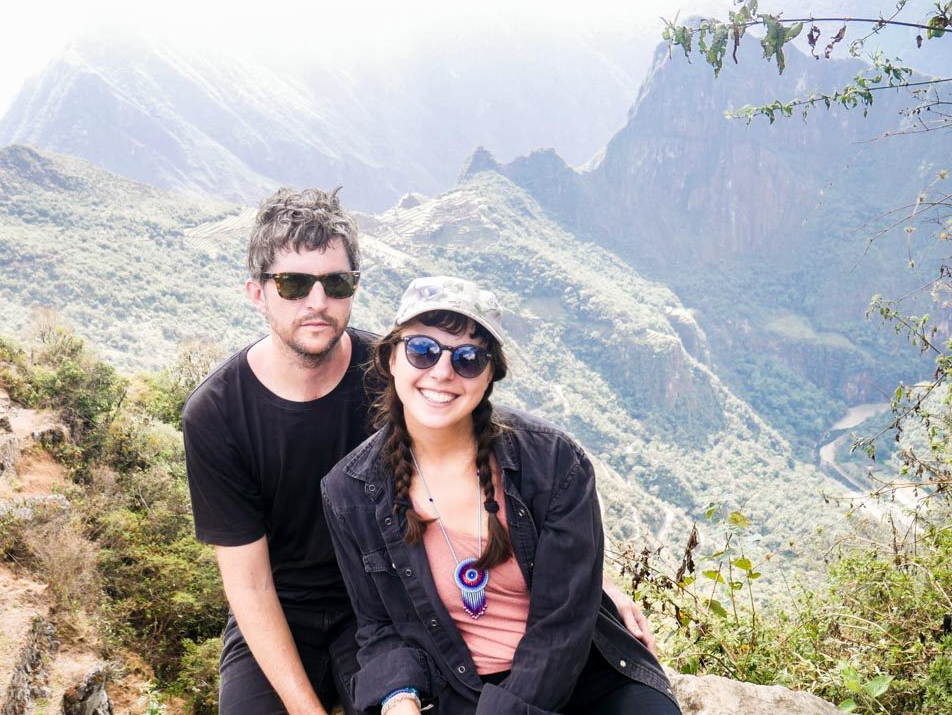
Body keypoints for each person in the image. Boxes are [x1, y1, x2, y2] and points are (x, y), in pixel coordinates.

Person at [321, 276, 681, 715]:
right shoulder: (350, 491)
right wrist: (400, 699)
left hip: (577, 677)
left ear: (490, 375)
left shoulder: (554, 463)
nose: (442, 372)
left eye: (468, 359)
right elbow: (378, 625)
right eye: (422, 350)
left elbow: (562, 625)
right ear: (391, 357)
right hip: (452, 686)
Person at [183, 187, 375, 715]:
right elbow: (249, 584)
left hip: (382, 597)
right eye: (293, 283)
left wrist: (577, 571)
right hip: (278, 607)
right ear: (257, 292)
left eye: (336, 283)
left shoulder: (395, 375)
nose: (318, 302)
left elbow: (489, 456)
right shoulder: (217, 414)